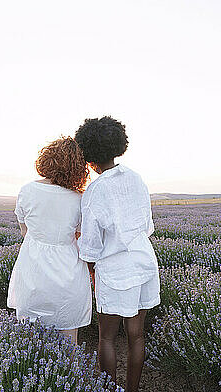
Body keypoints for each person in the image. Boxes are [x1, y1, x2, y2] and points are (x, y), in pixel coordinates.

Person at [75, 116, 160, 392]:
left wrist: (90, 268)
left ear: (88, 155)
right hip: (144, 263)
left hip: (115, 271)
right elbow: (147, 226)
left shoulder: (95, 190)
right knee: (136, 336)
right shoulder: (136, 179)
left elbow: (90, 245)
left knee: (107, 338)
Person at [7, 137, 92, 344]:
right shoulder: (79, 198)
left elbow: (25, 232)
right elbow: (80, 236)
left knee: (28, 339)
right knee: (69, 339)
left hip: (33, 269)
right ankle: (70, 377)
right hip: (68, 270)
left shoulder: (27, 190)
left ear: (48, 159)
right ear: (78, 167)